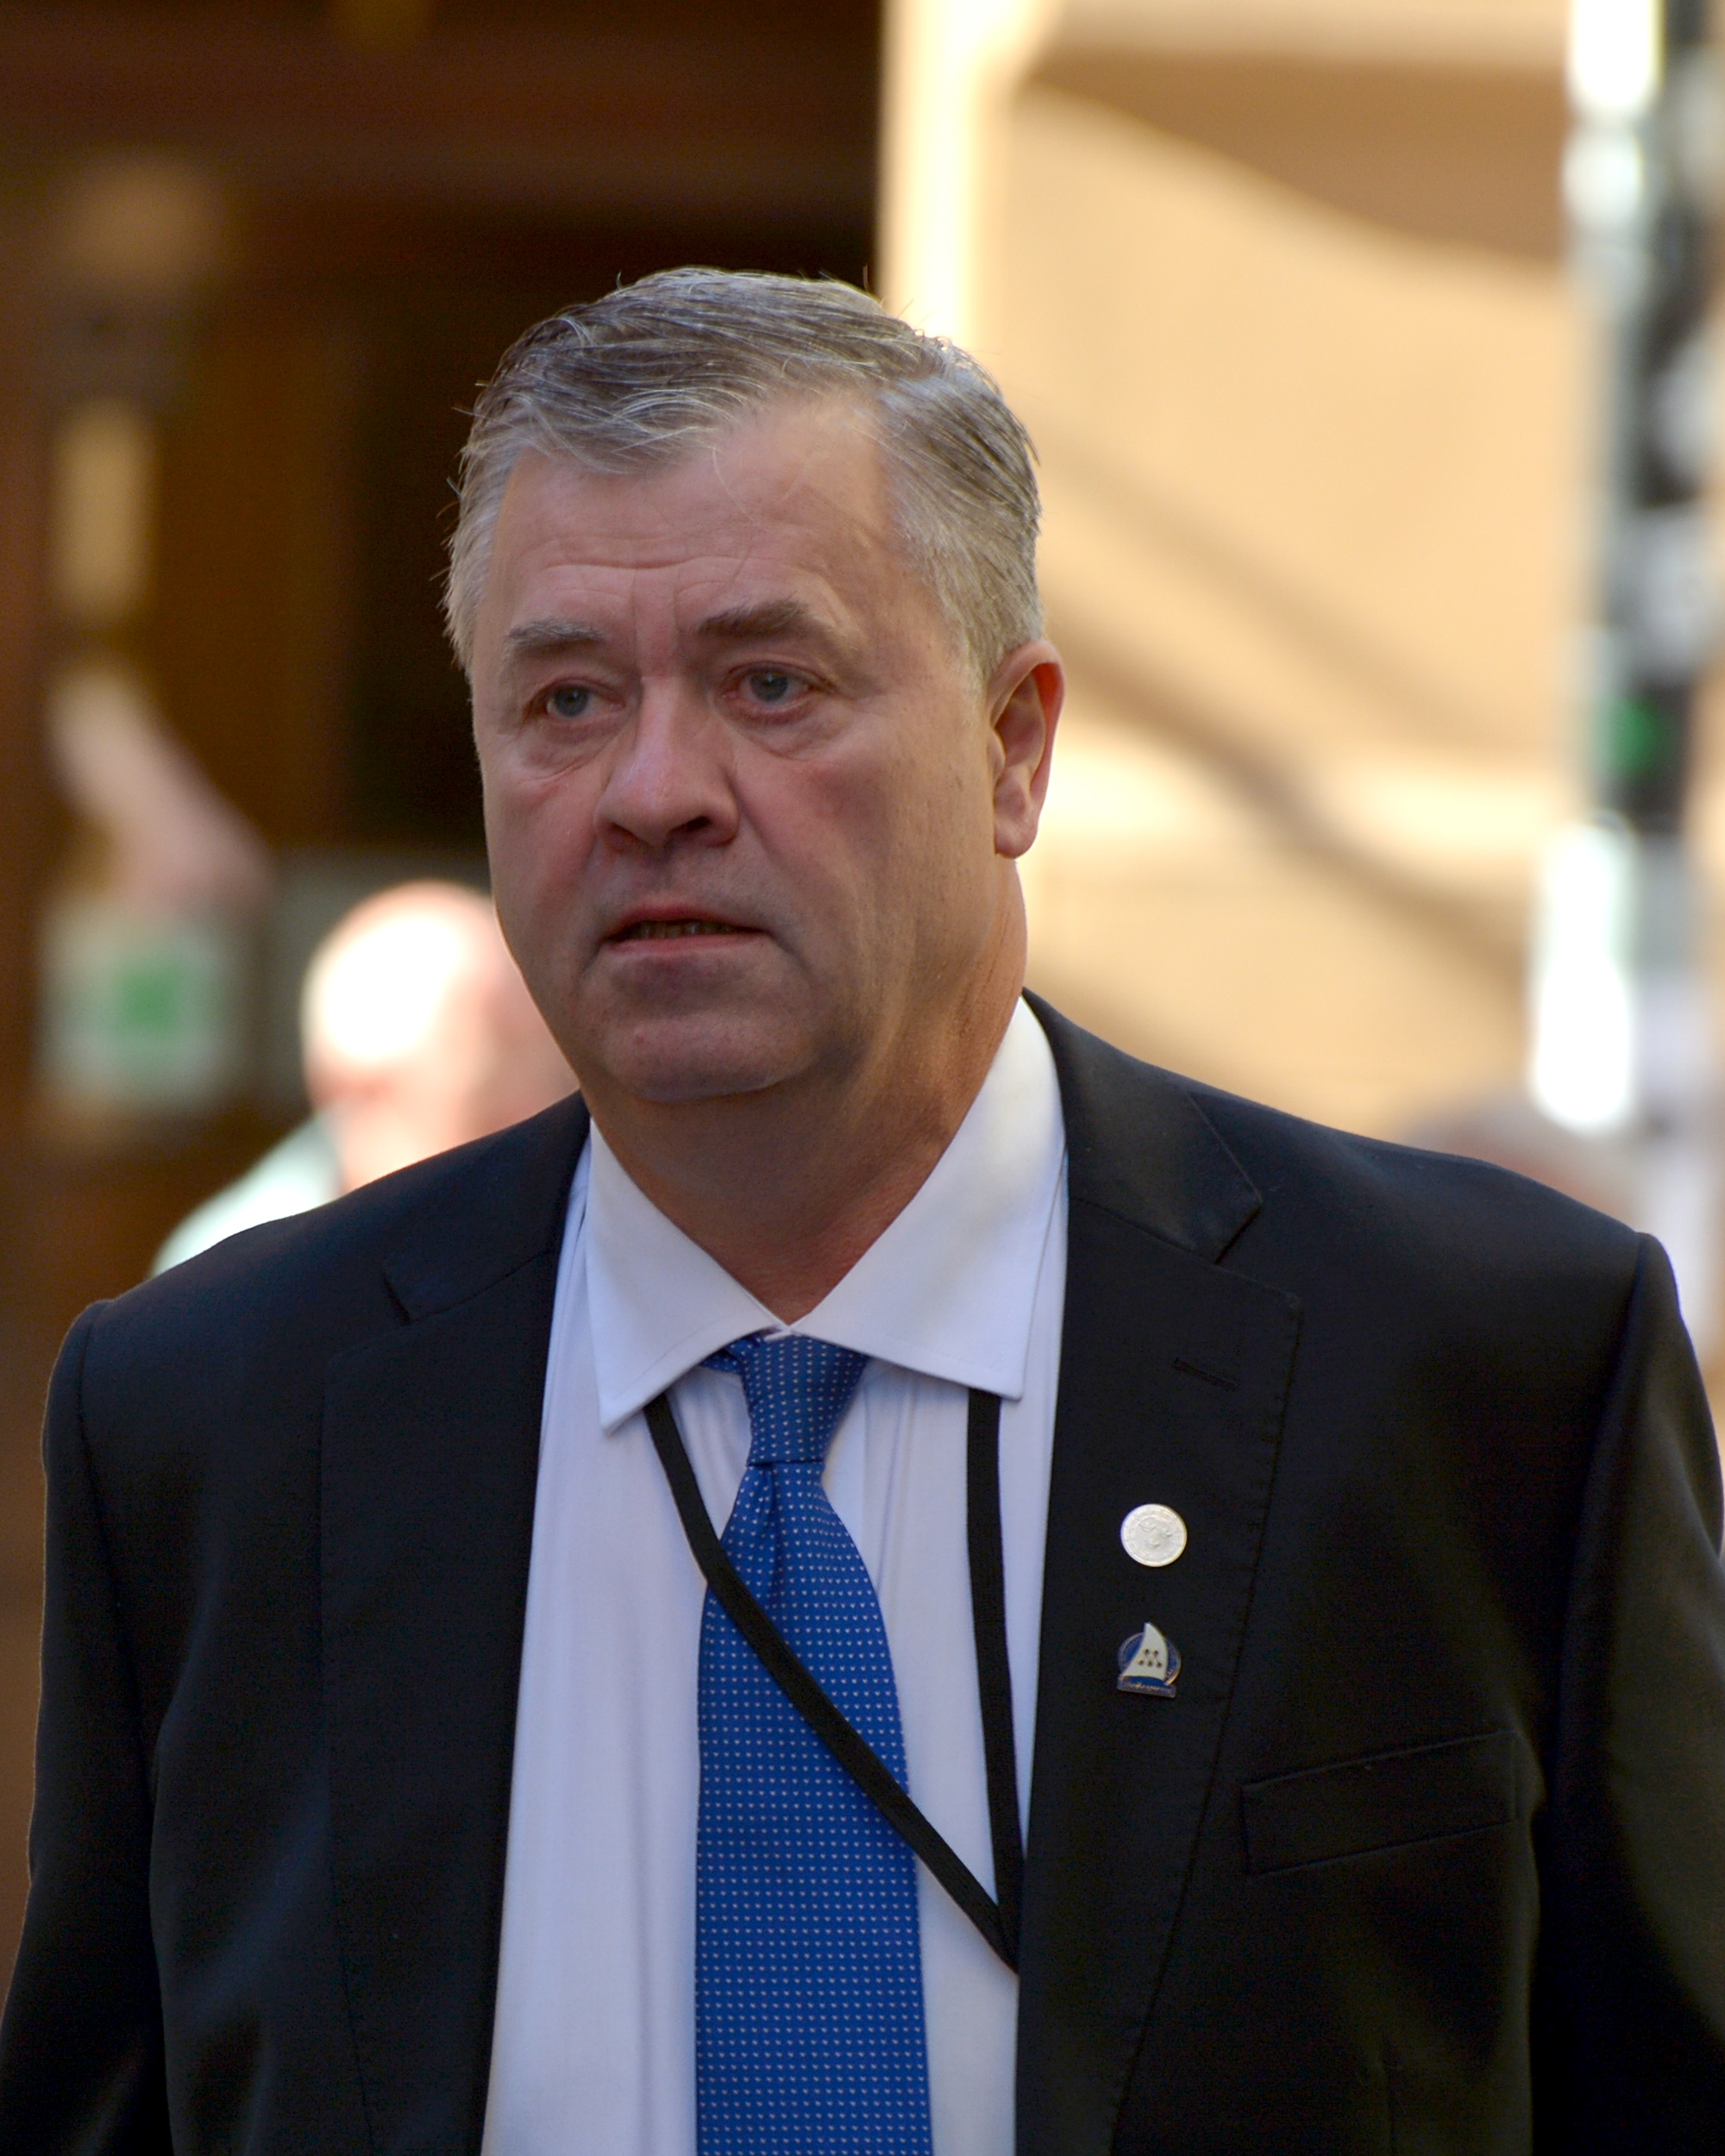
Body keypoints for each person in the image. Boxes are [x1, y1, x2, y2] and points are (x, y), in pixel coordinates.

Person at [3, 269, 1722, 2156]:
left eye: (772, 682)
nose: (655, 791)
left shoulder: (1480, 1373)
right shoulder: (214, 1423)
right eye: (566, 698)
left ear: (1013, 749)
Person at [152, 880, 574, 1269]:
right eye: (494, 1075)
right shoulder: (228, 1277)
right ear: (359, 1092)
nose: (547, 1104)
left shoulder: (574, 1232)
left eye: (553, 1061)